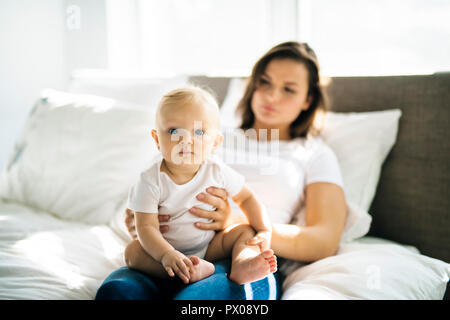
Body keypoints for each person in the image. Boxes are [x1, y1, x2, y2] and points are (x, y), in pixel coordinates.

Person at [95, 41, 347, 300]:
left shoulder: (314, 153)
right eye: (264, 82)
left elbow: (324, 240)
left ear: (308, 99)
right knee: (117, 293)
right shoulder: (202, 130)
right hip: (163, 251)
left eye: (289, 90)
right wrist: (139, 219)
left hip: (240, 255)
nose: (271, 96)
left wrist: (235, 222)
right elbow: (153, 184)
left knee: (195, 302)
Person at [124, 86, 277, 285]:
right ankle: (182, 271)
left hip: (209, 246)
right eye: (173, 131)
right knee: (133, 253)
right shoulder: (151, 180)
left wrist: (264, 229)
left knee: (245, 232)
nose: (186, 140)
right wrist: (166, 255)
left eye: (199, 131)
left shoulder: (216, 171)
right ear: (156, 139)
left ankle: (242, 263)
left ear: (215, 143)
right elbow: (146, 226)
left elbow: (247, 197)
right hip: (163, 250)